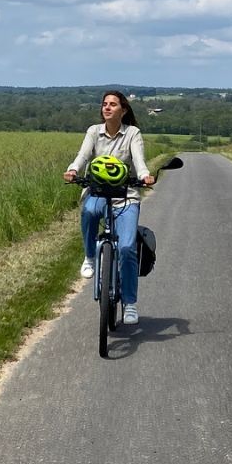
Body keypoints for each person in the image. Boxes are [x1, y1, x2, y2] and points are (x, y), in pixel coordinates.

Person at [64, 89, 156, 325]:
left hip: (126, 196)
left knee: (126, 248)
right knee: (89, 211)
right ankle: (90, 257)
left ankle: (130, 303)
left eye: (113, 104)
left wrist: (145, 175)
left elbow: (138, 160)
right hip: (98, 192)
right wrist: (74, 170)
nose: (107, 107)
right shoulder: (94, 132)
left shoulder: (132, 133)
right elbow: (82, 155)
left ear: (123, 110)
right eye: (105, 104)